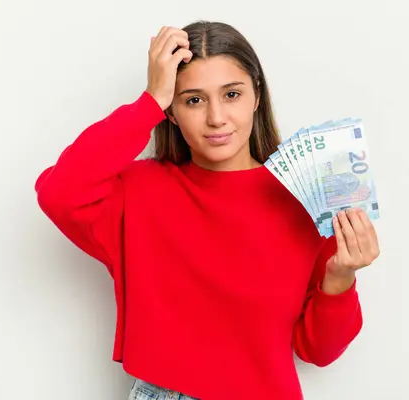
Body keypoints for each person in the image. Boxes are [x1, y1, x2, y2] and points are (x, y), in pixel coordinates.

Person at [34, 20, 380, 400]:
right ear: (172, 110)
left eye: (231, 94)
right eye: (193, 100)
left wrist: (340, 277)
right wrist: (149, 101)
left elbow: (319, 351)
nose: (216, 117)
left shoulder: (306, 198)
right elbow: (59, 192)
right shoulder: (138, 192)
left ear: (257, 96)